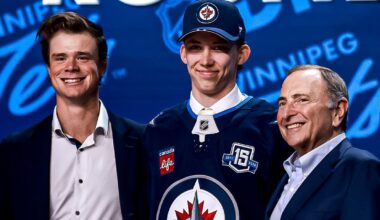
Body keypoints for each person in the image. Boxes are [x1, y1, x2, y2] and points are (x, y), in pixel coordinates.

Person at [142, 0, 290, 219]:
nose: (206, 60)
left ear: (242, 54)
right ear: (183, 53)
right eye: (195, 48)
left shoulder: (271, 126)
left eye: (219, 48)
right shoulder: (159, 129)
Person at [0, 12, 145, 219]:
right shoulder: (14, 151)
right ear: (49, 69)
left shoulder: (143, 142)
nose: (71, 67)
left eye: (82, 57)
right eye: (60, 58)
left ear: (103, 65)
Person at [266, 64, 380, 220]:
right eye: (282, 103)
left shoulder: (359, 168)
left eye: (302, 100)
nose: (286, 114)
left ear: (338, 111)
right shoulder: (288, 173)